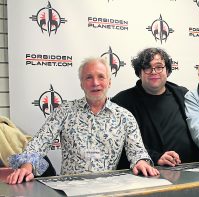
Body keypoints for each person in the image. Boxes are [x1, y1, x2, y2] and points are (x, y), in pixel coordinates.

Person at [6, 57, 159, 184]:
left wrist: (141, 162)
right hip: (70, 190)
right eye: (89, 77)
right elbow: (38, 143)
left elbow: (138, 152)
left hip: (109, 190)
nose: (95, 83)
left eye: (101, 76)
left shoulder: (125, 117)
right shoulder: (64, 111)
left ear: (109, 82)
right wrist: (26, 166)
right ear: (81, 84)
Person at [111, 48, 199, 168]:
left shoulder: (183, 95)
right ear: (139, 73)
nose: (154, 72)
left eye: (159, 67)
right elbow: (117, 145)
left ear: (168, 70)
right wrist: (155, 157)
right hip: (146, 176)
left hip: (190, 172)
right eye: (147, 67)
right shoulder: (122, 101)